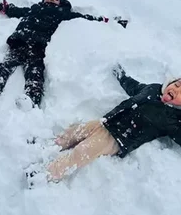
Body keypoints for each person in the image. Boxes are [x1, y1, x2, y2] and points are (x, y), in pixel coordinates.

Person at [42, 66, 181, 182]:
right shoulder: (153, 88)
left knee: (81, 152)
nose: (176, 90)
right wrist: (121, 76)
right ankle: (48, 147)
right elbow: (134, 87)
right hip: (106, 122)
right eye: (177, 84)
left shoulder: (173, 119)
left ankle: (48, 174)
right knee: (74, 132)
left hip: (116, 139)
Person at [0, 0, 112, 108]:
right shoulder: (34, 8)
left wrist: (102, 20)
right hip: (20, 41)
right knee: (4, 66)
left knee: (35, 73)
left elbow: (83, 17)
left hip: (39, 46)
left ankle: (31, 99)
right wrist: (8, 8)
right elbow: (19, 11)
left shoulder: (62, 13)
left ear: (60, 3)